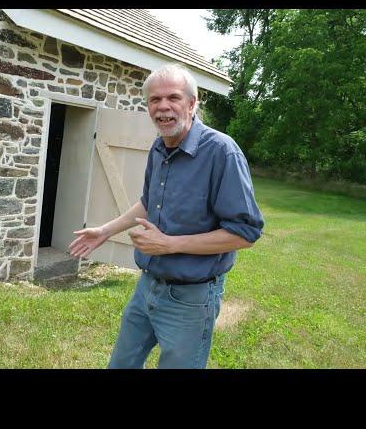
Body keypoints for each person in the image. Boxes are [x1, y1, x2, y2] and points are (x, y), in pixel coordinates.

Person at [68, 64, 264, 369]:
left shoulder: (222, 153)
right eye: (154, 100)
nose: (163, 107)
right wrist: (106, 230)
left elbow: (245, 233)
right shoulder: (159, 148)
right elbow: (149, 203)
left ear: (192, 103)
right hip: (147, 287)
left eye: (173, 97)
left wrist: (169, 244)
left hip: (191, 298)